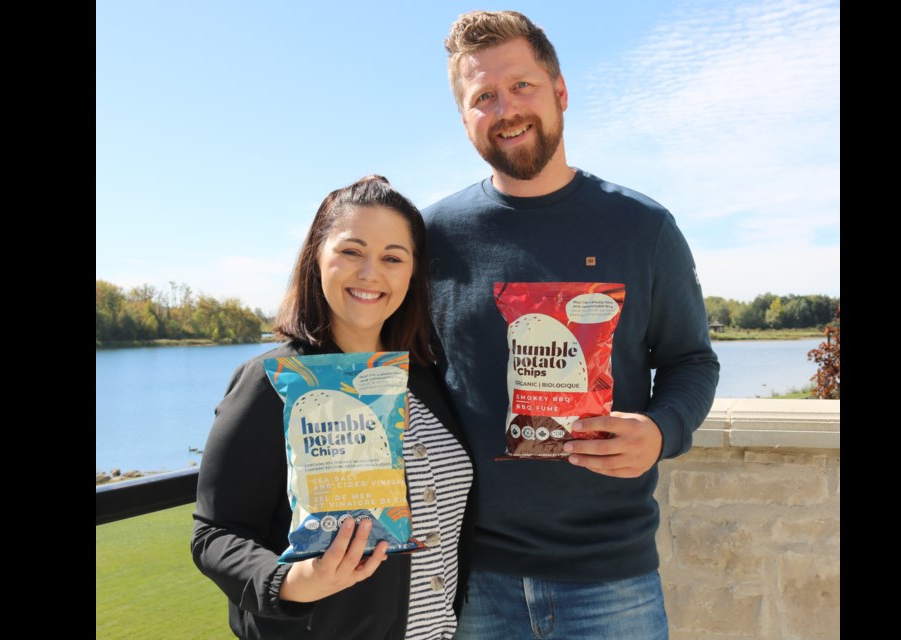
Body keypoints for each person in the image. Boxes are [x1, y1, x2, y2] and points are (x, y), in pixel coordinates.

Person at [422, 11, 720, 640]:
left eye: (522, 86)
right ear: (464, 117)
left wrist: (661, 430)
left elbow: (693, 360)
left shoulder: (643, 227)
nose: (507, 109)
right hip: (473, 582)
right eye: (483, 96)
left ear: (560, 92)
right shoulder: (431, 239)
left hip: (611, 581)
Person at [192, 175, 475, 640]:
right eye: (351, 251)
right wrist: (292, 582)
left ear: (411, 273)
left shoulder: (425, 378)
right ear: (317, 258)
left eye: (392, 258)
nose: (370, 273)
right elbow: (214, 536)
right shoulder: (273, 383)